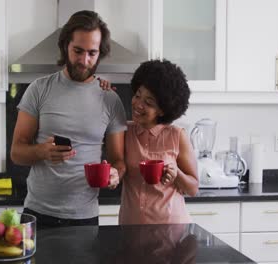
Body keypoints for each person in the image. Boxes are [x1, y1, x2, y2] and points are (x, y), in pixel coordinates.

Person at [11, 10, 127, 229]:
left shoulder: (110, 99)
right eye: (78, 51)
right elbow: (17, 153)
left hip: (84, 217)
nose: (84, 61)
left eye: (92, 53)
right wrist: (41, 152)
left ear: (100, 53)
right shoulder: (39, 89)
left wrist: (115, 174)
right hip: (37, 213)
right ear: (66, 46)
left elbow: (118, 160)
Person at [119, 59, 198, 225]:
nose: (138, 104)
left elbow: (193, 188)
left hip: (171, 229)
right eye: (137, 95)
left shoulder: (177, 135)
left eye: (148, 102)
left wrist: (177, 174)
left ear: (163, 110)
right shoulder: (123, 131)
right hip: (131, 229)